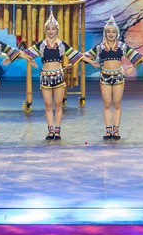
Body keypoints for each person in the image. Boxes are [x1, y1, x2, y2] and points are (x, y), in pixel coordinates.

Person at [22, 12, 97, 141]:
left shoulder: (62, 45)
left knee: (58, 104)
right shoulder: (41, 45)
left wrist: (90, 61)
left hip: (58, 77)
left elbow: (77, 55)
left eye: (53, 28)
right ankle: (50, 130)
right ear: (45, 30)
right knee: (48, 105)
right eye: (48, 29)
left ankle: (57, 130)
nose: (51, 31)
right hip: (45, 77)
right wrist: (13, 57)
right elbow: (26, 53)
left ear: (57, 30)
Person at [84, 16, 143, 141]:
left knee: (117, 104)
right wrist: (91, 62)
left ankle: (116, 130)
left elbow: (137, 56)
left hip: (118, 77)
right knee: (107, 104)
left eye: (113, 32)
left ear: (116, 33)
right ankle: (108, 130)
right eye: (109, 32)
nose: (111, 34)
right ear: (105, 33)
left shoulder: (122, 46)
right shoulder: (100, 47)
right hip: (105, 77)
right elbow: (84, 56)